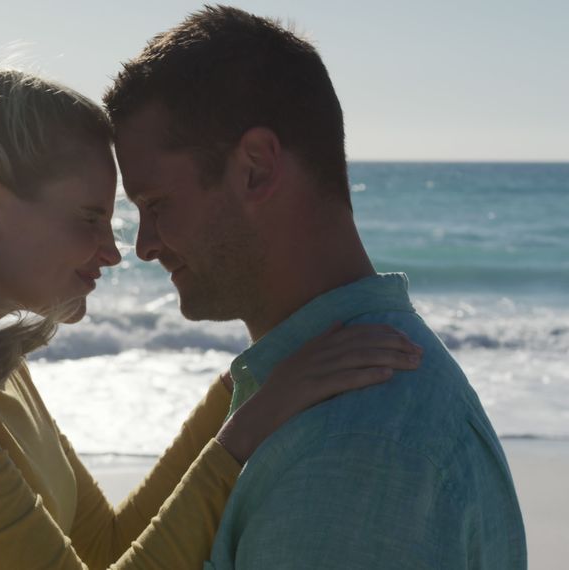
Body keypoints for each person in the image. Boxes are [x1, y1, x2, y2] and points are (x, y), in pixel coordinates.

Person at [0, 69, 422, 569]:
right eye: (89, 218)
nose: (113, 251)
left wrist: (244, 387)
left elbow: (103, 548)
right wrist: (246, 431)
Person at [103, 5, 526, 569]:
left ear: (255, 167)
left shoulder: (353, 449)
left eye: (156, 205)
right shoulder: (330, 397)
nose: (145, 245)